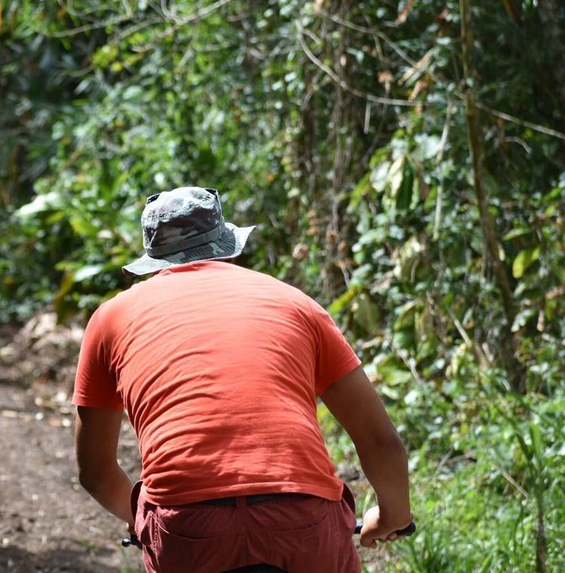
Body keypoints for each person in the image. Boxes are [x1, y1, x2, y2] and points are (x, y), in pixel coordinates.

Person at [72, 186, 413, 573]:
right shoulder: (295, 303)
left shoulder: (110, 319)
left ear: (152, 260)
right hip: (302, 523)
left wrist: (145, 524)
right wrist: (392, 517)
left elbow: (96, 472)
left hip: (189, 530)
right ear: (229, 248)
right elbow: (381, 442)